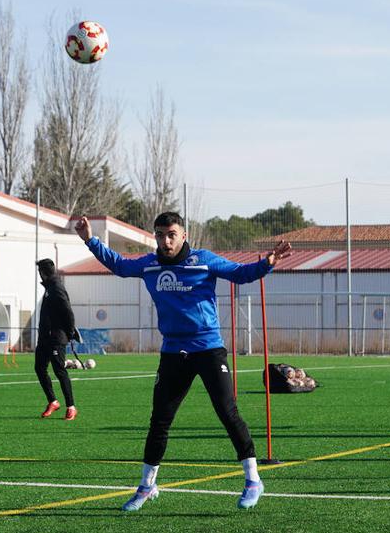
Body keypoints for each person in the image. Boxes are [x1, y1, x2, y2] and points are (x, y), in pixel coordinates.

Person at [75, 211, 291, 511]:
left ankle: (253, 479)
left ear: (183, 235)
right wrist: (90, 240)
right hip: (173, 353)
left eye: (171, 235)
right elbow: (119, 265)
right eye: (160, 235)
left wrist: (267, 264)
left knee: (228, 413)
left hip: (208, 349)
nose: (165, 241)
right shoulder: (149, 265)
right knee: (159, 421)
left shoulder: (204, 260)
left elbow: (240, 274)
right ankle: (147, 486)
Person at [34, 258, 78, 420]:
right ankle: (53, 401)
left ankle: (71, 407)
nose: (39, 274)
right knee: (39, 368)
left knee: (59, 371)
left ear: (43, 272)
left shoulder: (57, 288)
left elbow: (68, 312)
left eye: (39, 271)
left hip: (56, 338)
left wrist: (70, 332)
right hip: (45, 339)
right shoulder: (49, 289)